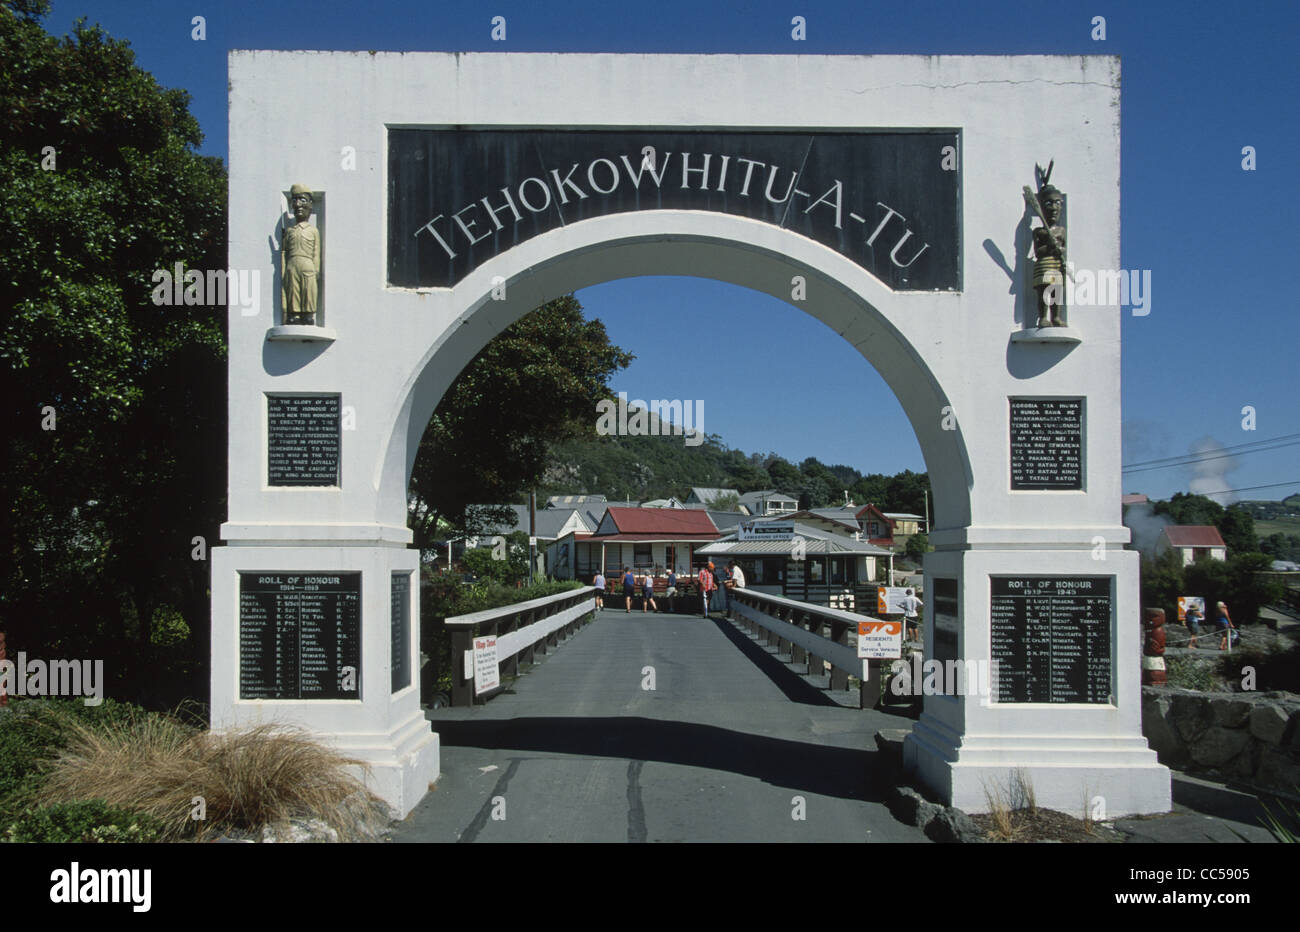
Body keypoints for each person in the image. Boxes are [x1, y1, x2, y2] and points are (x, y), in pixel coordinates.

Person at [282, 184, 320, 325]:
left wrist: (316, 269)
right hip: (292, 264)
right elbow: (284, 252)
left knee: (308, 290)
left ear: (310, 205)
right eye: (295, 201)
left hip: (307, 264)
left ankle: (308, 314)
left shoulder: (313, 230)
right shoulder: (290, 231)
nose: (298, 205)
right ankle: (294, 314)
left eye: (302, 201)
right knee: (293, 289)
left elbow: (316, 252)